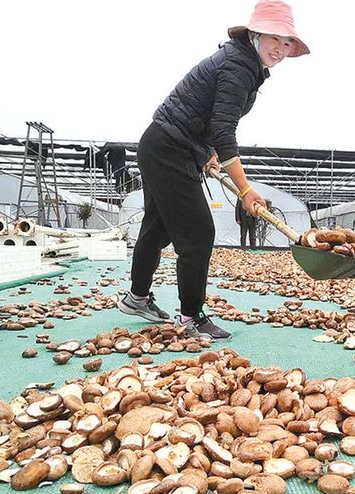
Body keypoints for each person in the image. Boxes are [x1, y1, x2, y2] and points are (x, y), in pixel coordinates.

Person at [117, 0, 309, 339]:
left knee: (158, 228)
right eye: (274, 39)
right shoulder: (239, 66)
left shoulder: (245, 63)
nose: (280, 49)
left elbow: (209, 119)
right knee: (199, 233)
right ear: (255, 34)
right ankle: (190, 317)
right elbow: (223, 130)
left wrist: (207, 153)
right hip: (169, 148)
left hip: (165, 143)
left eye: (286, 42)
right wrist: (245, 189)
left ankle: (137, 298)